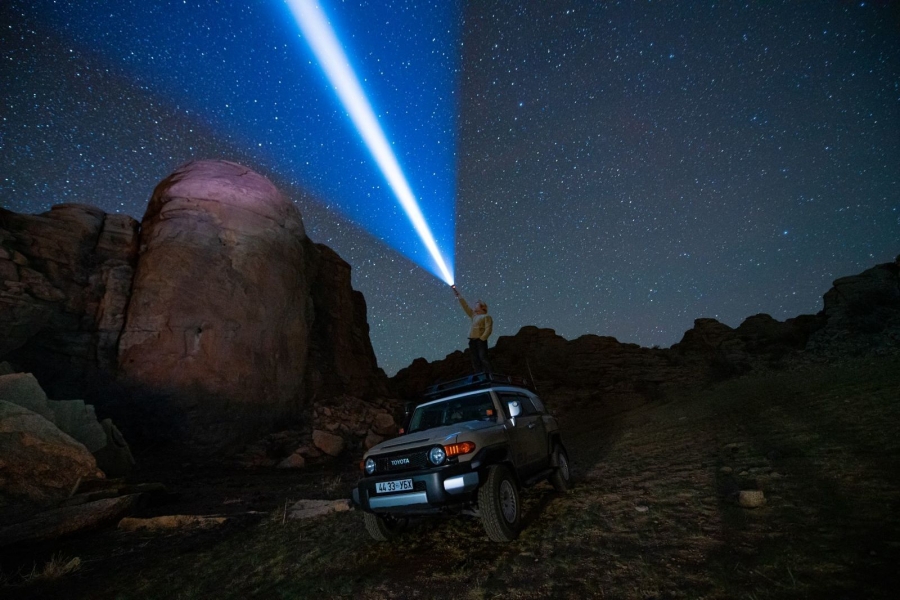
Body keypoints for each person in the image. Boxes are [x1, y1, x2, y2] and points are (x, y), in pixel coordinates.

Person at [452, 286, 493, 376]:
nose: (475, 305)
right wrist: (458, 294)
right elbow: (465, 306)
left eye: (477, 304)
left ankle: (490, 375)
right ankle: (480, 376)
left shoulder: (486, 317)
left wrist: (482, 338)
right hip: (472, 341)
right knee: (475, 360)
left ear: (482, 308)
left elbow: (488, 329)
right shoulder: (473, 316)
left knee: (483, 358)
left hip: (480, 341)